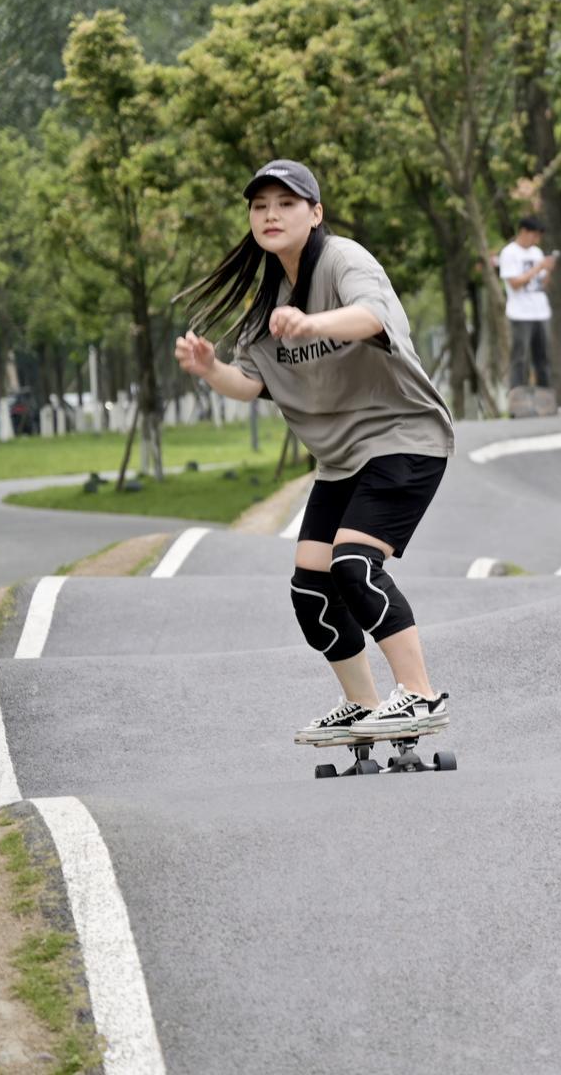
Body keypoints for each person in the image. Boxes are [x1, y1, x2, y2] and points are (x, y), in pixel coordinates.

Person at [173, 159, 455, 743]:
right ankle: (361, 704)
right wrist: (210, 369)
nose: (271, 214)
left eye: (286, 203)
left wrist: (312, 321)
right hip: (341, 460)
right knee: (311, 588)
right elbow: (251, 384)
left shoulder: (344, 261)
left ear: (316, 212)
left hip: (405, 437)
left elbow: (373, 315)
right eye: (260, 206)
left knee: (354, 565)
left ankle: (421, 696)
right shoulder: (266, 301)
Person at [498, 216, 557, 392]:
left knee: (543, 357)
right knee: (520, 358)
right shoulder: (509, 253)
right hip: (520, 313)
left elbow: (542, 284)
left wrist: (548, 270)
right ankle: (517, 398)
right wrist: (538, 268)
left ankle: (546, 396)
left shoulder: (536, 253)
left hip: (540, 311)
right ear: (523, 232)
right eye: (534, 235)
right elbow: (514, 284)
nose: (536, 240)